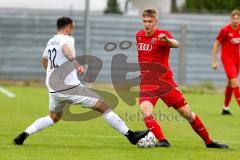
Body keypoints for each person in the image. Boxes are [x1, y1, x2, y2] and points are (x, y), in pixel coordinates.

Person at [13, 16, 149, 145]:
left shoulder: (51, 41)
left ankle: (24, 134)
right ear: (68, 28)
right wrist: (76, 63)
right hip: (68, 87)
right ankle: (131, 136)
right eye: (73, 28)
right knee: (104, 106)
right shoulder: (68, 39)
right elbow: (65, 49)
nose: (73, 31)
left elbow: (44, 61)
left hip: (53, 88)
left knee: (53, 117)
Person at [136, 8, 229, 149]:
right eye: (145, 21)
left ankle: (209, 142)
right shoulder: (139, 36)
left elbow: (176, 44)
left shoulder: (163, 35)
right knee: (145, 110)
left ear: (156, 21)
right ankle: (162, 140)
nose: (147, 24)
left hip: (165, 82)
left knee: (188, 114)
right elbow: (143, 57)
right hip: (148, 83)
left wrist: (167, 40)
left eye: (150, 21)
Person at [211, 9, 240, 115]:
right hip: (227, 59)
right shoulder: (225, 30)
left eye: (237, 18)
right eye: (234, 18)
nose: (236, 20)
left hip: (237, 59)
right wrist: (214, 61)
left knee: (231, 83)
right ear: (231, 19)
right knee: (235, 82)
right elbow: (216, 44)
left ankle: (225, 108)